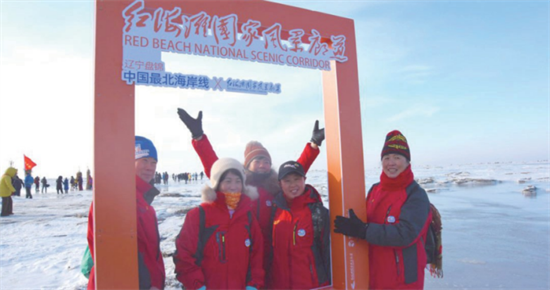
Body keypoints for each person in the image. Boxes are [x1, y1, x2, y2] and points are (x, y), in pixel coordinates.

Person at [177, 108, 324, 275]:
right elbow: (216, 168)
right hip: (243, 251)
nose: (263, 165)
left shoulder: (275, 187)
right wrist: (199, 137)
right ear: (247, 165)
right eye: (258, 161)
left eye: (266, 162)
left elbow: (294, 175)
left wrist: (313, 146)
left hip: (272, 254)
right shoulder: (239, 185)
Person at [334, 130, 432, 290]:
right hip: (374, 276)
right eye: (386, 158)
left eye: (397, 157)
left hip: (403, 281)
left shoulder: (415, 195)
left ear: (407, 162)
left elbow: (406, 234)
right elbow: (362, 223)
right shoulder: (375, 190)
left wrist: (364, 231)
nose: (390, 162)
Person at [86, 136, 166, 290]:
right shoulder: (114, 198)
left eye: (153, 162)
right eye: (144, 160)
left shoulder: (144, 203)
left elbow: (149, 252)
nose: (150, 167)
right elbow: (111, 256)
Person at [173, 158, 264, 290]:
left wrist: (253, 285)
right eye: (228, 181)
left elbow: (257, 254)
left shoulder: (248, 217)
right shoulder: (199, 215)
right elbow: (184, 255)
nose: (233, 186)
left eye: (238, 181)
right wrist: (197, 285)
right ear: (217, 183)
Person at [267, 161, 331, 290]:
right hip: (279, 285)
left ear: (304, 180)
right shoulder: (274, 210)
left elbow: (328, 254)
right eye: (287, 181)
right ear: (280, 184)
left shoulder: (318, 213)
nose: (293, 185)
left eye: (297, 179)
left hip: (312, 285)